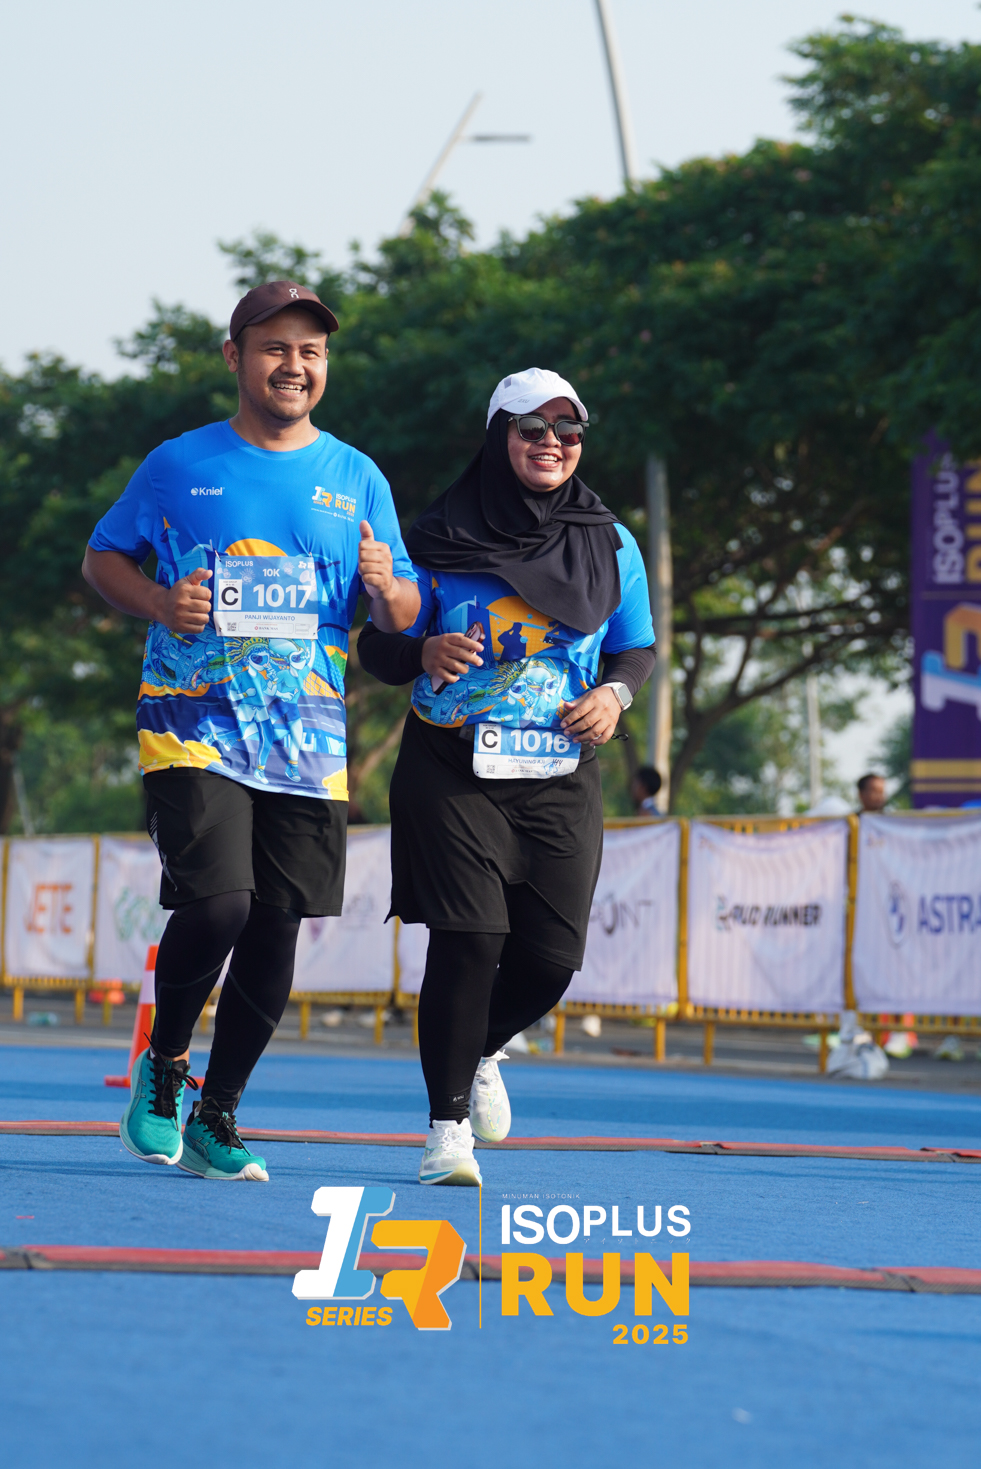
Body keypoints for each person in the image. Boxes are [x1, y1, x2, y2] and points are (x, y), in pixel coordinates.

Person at [83, 280, 419, 1181]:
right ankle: (164, 1065)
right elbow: (103, 557)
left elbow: (402, 610)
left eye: (311, 351)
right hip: (192, 722)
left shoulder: (357, 476)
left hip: (305, 740)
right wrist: (161, 601)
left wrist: (388, 588)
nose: (294, 365)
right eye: (275, 348)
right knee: (220, 904)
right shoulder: (178, 463)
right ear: (236, 357)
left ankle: (218, 1114)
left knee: (275, 925)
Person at [359, 367, 656, 1185]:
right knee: (470, 938)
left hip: (559, 773)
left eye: (567, 430)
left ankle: (483, 1046)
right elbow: (376, 644)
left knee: (552, 958)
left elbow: (634, 645)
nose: (551, 443)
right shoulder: (435, 536)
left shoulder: (611, 541)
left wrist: (615, 694)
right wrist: (422, 649)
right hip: (452, 766)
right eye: (532, 428)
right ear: (499, 438)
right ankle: (445, 1128)